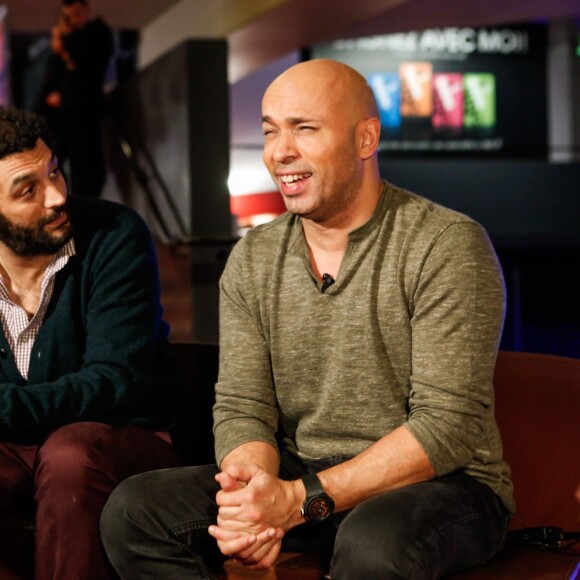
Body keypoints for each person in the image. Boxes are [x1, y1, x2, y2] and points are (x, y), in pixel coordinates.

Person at [100, 59, 514, 579]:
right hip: (304, 476)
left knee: (372, 540)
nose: (280, 151)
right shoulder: (253, 258)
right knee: (134, 511)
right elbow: (243, 405)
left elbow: (447, 427)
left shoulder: (446, 244)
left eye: (305, 128)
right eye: (271, 131)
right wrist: (254, 497)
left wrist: (296, 502)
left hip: (443, 486)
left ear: (366, 139)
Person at [0, 106, 184, 580]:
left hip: (121, 438)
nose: (58, 195)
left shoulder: (113, 235)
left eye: (54, 171)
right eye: (29, 190)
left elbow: (114, 382)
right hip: (17, 448)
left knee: (68, 455)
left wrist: (7, 408)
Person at [49, 0, 113, 198]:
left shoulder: (97, 32)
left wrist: (67, 39)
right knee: (72, 161)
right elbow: (57, 74)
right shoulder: (69, 43)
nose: (74, 20)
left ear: (87, 9)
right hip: (69, 110)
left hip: (87, 107)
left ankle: (89, 203)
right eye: (69, 16)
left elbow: (90, 66)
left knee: (89, 163)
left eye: (77, 13)